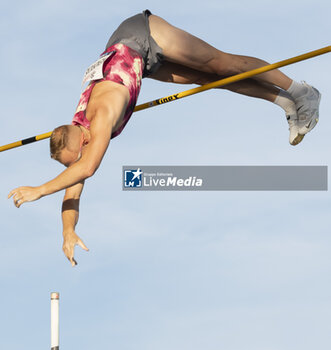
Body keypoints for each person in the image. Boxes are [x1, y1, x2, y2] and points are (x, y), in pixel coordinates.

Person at [8, 10, 321, 266]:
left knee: (220, 64)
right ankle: (286, 103)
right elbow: (73, 184)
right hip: (134, 58)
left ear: (83, 138)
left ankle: (300, 91)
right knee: (208, 80)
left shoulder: (101, 117)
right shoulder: (81, 133)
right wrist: (67, 231)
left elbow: (86, 170)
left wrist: (39, 190)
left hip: (142, 34)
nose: (76, 164)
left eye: (76, 157)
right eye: (72, 162)